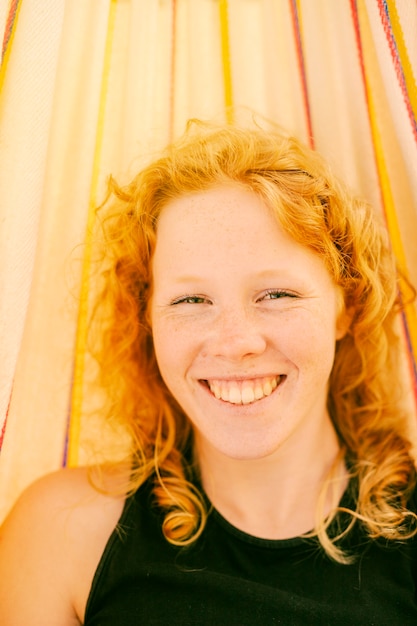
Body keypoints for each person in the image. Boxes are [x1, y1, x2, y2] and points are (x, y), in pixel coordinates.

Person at [0, 119, 416, 625]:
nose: (236, 342)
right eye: (191, 299)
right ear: (147, 321)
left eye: (277, 295)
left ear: (345, 308)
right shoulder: (61, 533)